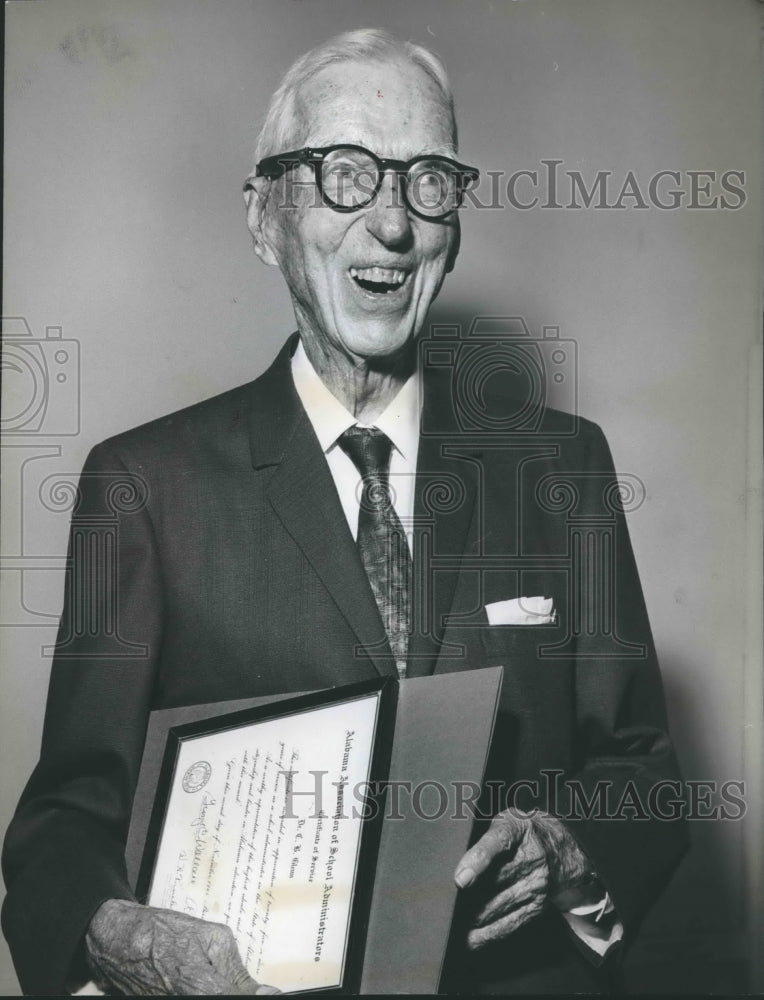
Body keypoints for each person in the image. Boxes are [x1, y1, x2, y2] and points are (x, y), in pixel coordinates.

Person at [1, 28, 687, 996]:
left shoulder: (561, 469)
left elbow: (646, 778)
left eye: (427, 181)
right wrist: (128, 940)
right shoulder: (142, 487)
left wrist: (569, 849)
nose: (393, 225)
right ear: (263, 216)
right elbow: (65, 823)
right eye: (346, 175)